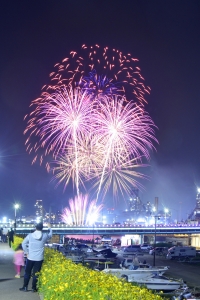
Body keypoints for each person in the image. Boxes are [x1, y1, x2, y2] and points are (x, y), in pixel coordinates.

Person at [19, 222, 52, 292]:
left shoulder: (30, 235)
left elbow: (23, 243)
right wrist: (50, 227)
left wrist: (26, 252)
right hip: (39, 258)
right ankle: (34, 288)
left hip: (30, 257)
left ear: (35, 228)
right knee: (36, 274)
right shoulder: (44, 236)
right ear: (42, 228)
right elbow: (50, 235)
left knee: (27, 272)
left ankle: (25, 287)